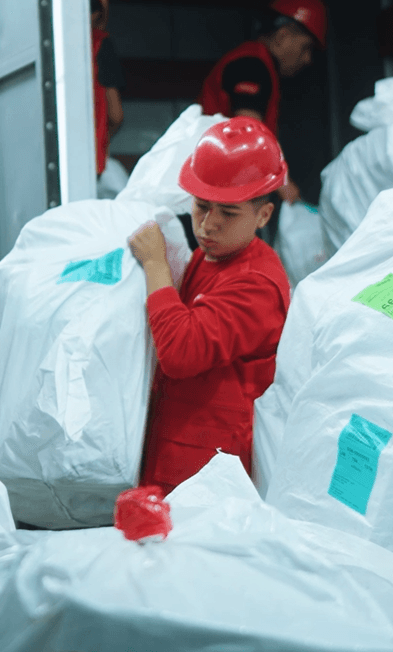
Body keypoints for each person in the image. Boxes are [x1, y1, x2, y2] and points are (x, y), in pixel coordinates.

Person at [128, 117, 292, 494]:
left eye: (228, 213)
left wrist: (155, 265)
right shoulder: (211, 256)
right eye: (201, 207)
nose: (207, 226)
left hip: (209, 475)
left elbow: (180, 352)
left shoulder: (257, 283)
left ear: (263, 215)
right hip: (173, 455)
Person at [198, 0, 327, 207]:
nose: (307, 59)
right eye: (306, 48)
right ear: (282, 36)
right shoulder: (252, 65)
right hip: (216, 186)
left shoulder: (259, 63)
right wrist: (284, 185)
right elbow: (248, 133)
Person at [91, 0, 125, 184]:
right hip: (92, 158)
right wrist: (103, 141)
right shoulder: (100, 44)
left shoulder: (55, 47)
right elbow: (116, 115)